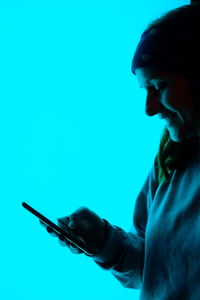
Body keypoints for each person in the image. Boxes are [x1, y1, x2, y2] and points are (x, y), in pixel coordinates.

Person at [41, 3, 200, 299]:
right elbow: (154, 268)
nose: (149, 109)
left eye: (160, 86)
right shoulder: (168, 163)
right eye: (145, 91)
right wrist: (102, 239)